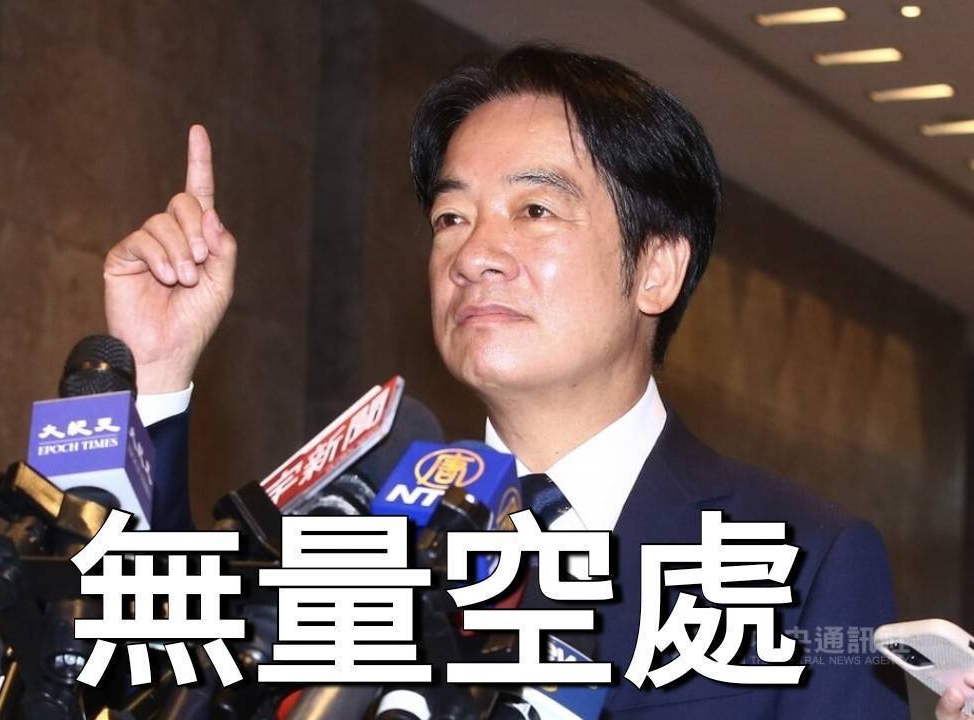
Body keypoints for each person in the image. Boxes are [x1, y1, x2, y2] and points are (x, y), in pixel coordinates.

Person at [103, 44, 933, 717]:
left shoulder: (799, 562)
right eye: (451, 218)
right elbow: (148, 672)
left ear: (656, 269)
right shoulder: (360, 533)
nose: (473, 256)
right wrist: (154, 373)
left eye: (533, 211)